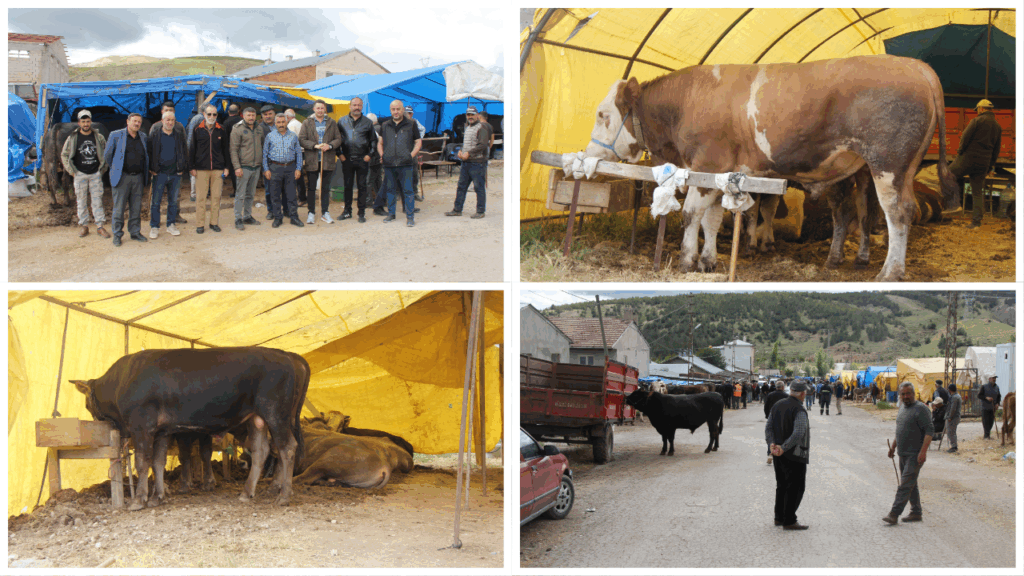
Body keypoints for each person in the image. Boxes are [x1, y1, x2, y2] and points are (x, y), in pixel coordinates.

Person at [882, 382, 933, 525]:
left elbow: (929, 431)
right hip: (902, 453)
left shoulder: (921, 409)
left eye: (908, 393)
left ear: (914, 393)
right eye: (903, 394)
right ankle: (916, 512)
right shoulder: (902, 408)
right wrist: (893, 447)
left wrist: (923, 452)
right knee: (911, 484)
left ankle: (894, 514)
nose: (905, 396)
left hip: (915, 455)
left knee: (904, 485)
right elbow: (900, 430)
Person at [949, 99, 1003, 228]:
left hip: (968, 159)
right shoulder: (997, 126)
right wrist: (990, 165)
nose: (977, 112)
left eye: (977, 109)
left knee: (946, 175)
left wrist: (960, 153)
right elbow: (996, 149)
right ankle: (976, 222)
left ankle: (951, 206)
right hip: (984, 162)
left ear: (981, 109)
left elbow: (965, 138)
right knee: (977, 192)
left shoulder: (976, 121)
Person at [765, 381, 810, 530]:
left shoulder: (777, 405)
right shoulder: (799, 409)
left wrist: (772, 444)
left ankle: (779, 517)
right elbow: (799, 432)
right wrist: (784, 448)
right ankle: (789, 520)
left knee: (782, 485)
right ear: (802, 394)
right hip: (794, 454)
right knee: (795, 487)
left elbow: (768, 427)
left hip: (778, 453)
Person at [60, 109, 110, 239]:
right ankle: (84, 225)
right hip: (80, 174)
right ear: (79, 123)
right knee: (81, 201)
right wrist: (72, 171)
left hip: (95, 174)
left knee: (97, 200)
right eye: (83, 121)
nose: (86, 124)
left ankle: (100, 226)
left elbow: (107, 153)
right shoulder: (73, 137)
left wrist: (102, 169)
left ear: (91, 122)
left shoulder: (98, 137)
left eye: (88, 121)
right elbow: (64, 154)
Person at [103, 113, 149, 247]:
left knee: (136, 208)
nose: (137, 124)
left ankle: (135, 232)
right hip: (122, 177)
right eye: (134, 121)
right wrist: (116, 168)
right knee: (119, 208)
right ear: (128, 121)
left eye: (139, 122)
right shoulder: (115, 135)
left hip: (138, 178)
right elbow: (107, 156)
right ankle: (117, 234)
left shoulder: (143, 137)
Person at [297, 100, 343, 224]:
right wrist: (314, 146)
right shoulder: (307, 122)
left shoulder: (331, 122)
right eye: (318, 108)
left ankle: (325, 212)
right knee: (311, 188)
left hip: (327, 160)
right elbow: (301, 139)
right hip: (312, 160)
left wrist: (330, 146)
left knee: (325, 188)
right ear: (314, 109)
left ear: (325, 109)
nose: (320, 110)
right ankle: (311, 212)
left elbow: (338, 139)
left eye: (322, 108)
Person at [378, 99, 421, 227]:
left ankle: (410, 216)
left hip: (406, 164)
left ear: (402, 110)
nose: (396, 112)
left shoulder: (411, 124)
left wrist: (410, 156)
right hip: (389, 164)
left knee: (408, 191)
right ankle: (391, 214)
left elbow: (418, 142)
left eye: (398, 109)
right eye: (393, 109)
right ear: (390, 110)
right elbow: (380, 142)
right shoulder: (385, 125)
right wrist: (382, 155)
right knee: (390, 190)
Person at [189, 104, 230, 234]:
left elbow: (226, 149)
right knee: (201, 198)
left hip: (218, 169)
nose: (212, 117)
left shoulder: (221, 129)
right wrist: (191, 167)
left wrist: (227, 167)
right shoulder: (197, 129)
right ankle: (200, 224)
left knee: (216, 197)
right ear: (204, 115)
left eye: (214, 114)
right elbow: (192, 148)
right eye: (209, 114)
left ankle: (214, 223)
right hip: (201, 169)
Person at [147, 110, 188, 238]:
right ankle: (154, 226)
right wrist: (152, 168)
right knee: (156, 202)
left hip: (175, 173)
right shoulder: (155, 135)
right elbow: (149, 152)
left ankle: (171, 224)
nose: (170, 122)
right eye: (167, 120)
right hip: (159, 174)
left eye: (172, 120)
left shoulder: (179, 135)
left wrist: (182, 167)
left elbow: (184, 151)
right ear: (162, 121)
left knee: (173, 201)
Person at [338, 97, 378, 224]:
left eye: (359, 105)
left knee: (362, 186)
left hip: (362, 159)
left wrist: (369, 155)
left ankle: (361, 212)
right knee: (347, 186)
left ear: (362, 106)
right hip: (347, 158)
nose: (357, 107)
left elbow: (374, 141)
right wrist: (339, 154)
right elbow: (337, 139)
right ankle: (347, 211)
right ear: (350, 106)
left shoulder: (368, 122)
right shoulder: (342, 121)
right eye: (354, 105)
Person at [445, 106, 489, 219]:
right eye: (468, 115)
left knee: (479, 187)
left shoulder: (482, 127)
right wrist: (461, 150)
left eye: (472, 114)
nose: (470, 117)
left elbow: (483, 145)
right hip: (466, 163)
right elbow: (467, 143)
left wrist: (468, 153)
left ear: (477, 115)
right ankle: (457, 209)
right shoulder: (468, 127)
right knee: (461, 186)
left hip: (477, 162)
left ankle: (480, 211)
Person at [262, 112, 304, 228]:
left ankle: (294, 217)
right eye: (279, 122)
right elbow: (265, 154)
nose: (281, 124)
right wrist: (266, 169)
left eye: (283, 122)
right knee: (275, 195)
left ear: (287, 122)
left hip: (290, 168)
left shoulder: (293, 136)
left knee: (291, 194)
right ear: (275, 123)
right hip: (275, 168)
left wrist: (298, 168)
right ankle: (278, 218)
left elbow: (299, 153)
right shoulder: (270, 136)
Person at [229, 107, 265, 231]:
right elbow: (233, 150)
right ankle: (238, 218)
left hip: (256, 167)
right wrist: (237, 167)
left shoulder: (259, 129)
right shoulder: (237, 129)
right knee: (240, 194)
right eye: (248, 115)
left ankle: (247, 216)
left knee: (250, 194)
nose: (251, 117)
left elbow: (262, 145)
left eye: (253, 115)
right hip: (243, 167)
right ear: (243, 116)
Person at [260, 105, 279, 217]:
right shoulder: (259, 128)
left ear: (274, 114)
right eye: (265, 114)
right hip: (268, 163)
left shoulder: (281, 125)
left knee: (283, 188)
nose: (268, 116)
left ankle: (284, 209)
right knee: (269, 189)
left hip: (283, 162)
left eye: (270, 114)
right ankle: (271, 211)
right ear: (262, 116)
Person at [222, 104, 244, 198]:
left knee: (234, 171)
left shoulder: (226, 122)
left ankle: (237, 191)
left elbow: (224, 138)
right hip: (243, 150)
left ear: (228, 112)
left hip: (231, 150)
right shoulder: (243, 121)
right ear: (239, 111)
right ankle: (243, 191)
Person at [285, 108, 306, 204]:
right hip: (301, 152)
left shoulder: (291, 125)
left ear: (287, 117)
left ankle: (301, 198)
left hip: (296, 153)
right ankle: (301, 197)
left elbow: (291, 141)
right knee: (299, 175)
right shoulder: (298, 123)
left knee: (297, 176)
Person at [184, 104, 205, 201]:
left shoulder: (194, 118)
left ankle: (194, 193)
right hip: (197, 147)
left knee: (194, 172)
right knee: (197, 172)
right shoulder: (201, 119)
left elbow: (188, 130)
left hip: (191, 145)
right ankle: (195, 194)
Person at [945, 383, 962, 453]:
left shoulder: (954, 397)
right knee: (952, 431)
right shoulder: (957, 396)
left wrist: (950, 417)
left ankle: (954, 446)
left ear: (949, 390)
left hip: (953, 417)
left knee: (951, 432)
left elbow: (953, 408)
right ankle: (953, 446)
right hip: (956, 416)